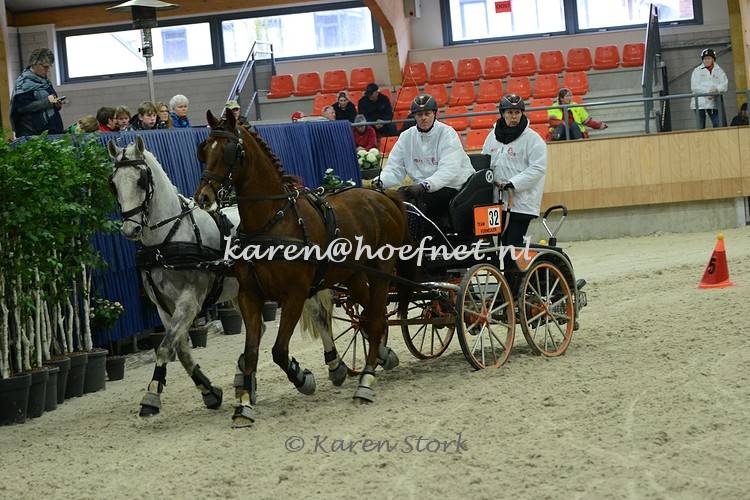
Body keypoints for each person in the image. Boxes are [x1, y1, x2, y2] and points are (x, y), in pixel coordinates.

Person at [375, 94, 474, 223]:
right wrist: (380, 181)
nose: (423, 118)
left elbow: (449, 170)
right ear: (414, 116)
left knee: (421, 203)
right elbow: (394, 168)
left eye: (427, 113)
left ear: (434, 113)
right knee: (396, 199)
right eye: (419, 114)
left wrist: (425, 185)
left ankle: (426, 239)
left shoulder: (447, 133)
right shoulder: (406, 136)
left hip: (452, 185)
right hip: (423, 188)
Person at [482, 94, 547, 248]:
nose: (514, 116)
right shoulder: (492, 137)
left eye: (517, 112)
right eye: (510, 112)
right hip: (495, 203)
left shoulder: (533, 139)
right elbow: (485, 162)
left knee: (512, 245)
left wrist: (513, 183)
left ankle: (517, 271)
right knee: (494, 246)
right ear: (502, 113)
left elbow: (538, 168)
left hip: (521, 203)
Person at [10, 48, 65, 137]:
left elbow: (51, 101)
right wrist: (47, 102)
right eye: (45, 66)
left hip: (52, 131)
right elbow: (22, 108)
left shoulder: (44, 80)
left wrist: (57, 105)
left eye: (49, 66)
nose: (47, 70)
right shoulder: (23, 83)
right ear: (34, 64)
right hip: (33, 134)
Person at [690, 48, 728, 129]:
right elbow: (695, 87)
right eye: (704, 59)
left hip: (714, 102)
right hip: (699, 103)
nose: (706, 60)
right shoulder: (697, 71)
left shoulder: (719, 71)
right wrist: (709, 92)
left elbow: (724, 85)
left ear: (713, 59)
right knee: (700, 127)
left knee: (718, 124)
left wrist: (716, 90)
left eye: (708, 58)